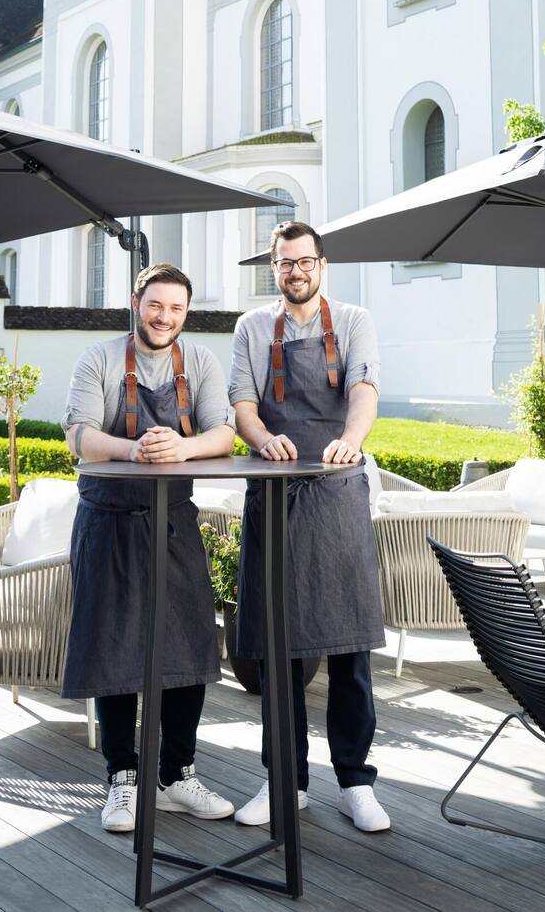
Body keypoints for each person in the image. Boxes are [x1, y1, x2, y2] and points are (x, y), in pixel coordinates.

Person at [62, 262, 236, 833]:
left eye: (177, 308)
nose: (165, 318)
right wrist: (137, 450)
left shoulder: (201, 362)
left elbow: (225, 433)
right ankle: (123, 778)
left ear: (187, 312)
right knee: (115, 649)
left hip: (174, 522)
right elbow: (79, 435)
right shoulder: (101, 359)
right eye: (156, 305)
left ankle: (175, 775)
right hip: (107, 519)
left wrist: (181, 449)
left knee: (189, 647)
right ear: (137, 303)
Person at [229, 221, 390, 833]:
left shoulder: (352, 320)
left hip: (338, 492)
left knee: (349, 648)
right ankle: (284, 783)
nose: (295, 271)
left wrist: (350, 443)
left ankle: (355, 781)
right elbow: (243, 404)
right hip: (272, 497)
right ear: (273, 268)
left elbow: (364, 390)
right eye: (284, 263)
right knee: (278, 651)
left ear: (322, 263)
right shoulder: (250, 328)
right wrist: (265, 439)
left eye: (304, 261)